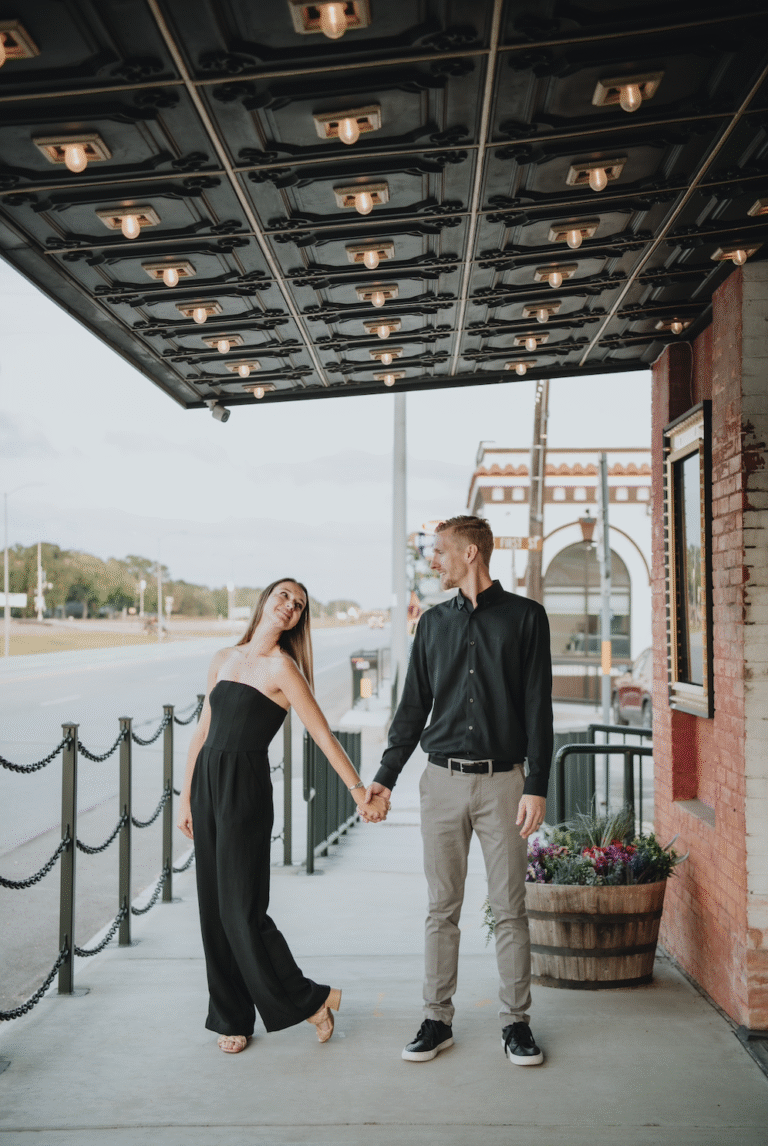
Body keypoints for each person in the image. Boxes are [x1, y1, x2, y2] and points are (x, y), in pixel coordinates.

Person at [365, 515, 553, 1067]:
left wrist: (535, 785)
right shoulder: (432, 623)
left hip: (504, 785)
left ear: (471, 552)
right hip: (441, 782)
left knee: (510, 909)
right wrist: (385, 777)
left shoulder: (526, 618)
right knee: (441, 907)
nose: (433, 561)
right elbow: (411, 710)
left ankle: (516, 1024)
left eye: (440, 551)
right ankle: (436, 1019)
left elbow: (539, 707)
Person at [177, 577, 389, 1054]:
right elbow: (201, 733)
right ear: (265, 601)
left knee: (242, 911)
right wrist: (186, 796)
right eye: (284, 596)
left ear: (299, 619)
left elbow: (323, 736)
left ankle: (309, 1000)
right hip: (209, 786)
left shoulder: (284, 669)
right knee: (213, 911)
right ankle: (232, 1017)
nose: (290, 606)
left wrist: (359, 793)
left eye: (299, 605)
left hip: (245, 792)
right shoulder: (224, 659)